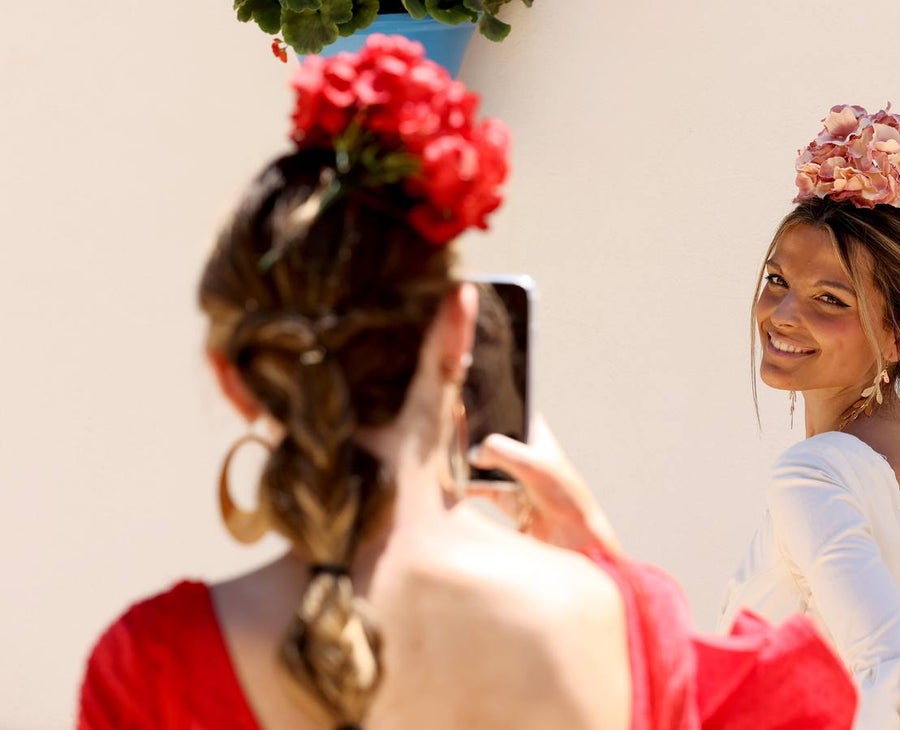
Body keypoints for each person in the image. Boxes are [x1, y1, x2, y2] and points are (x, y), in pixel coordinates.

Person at [77, 37, 857, 730]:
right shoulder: (618, 631)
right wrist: (612, 575)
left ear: (237, 379)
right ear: (460, 325)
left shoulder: (152, 666)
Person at [717, 104, 900, 728]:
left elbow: (895, 680)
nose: (782, 314)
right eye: (777, 279)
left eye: (829, 298)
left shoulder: (816, 472)